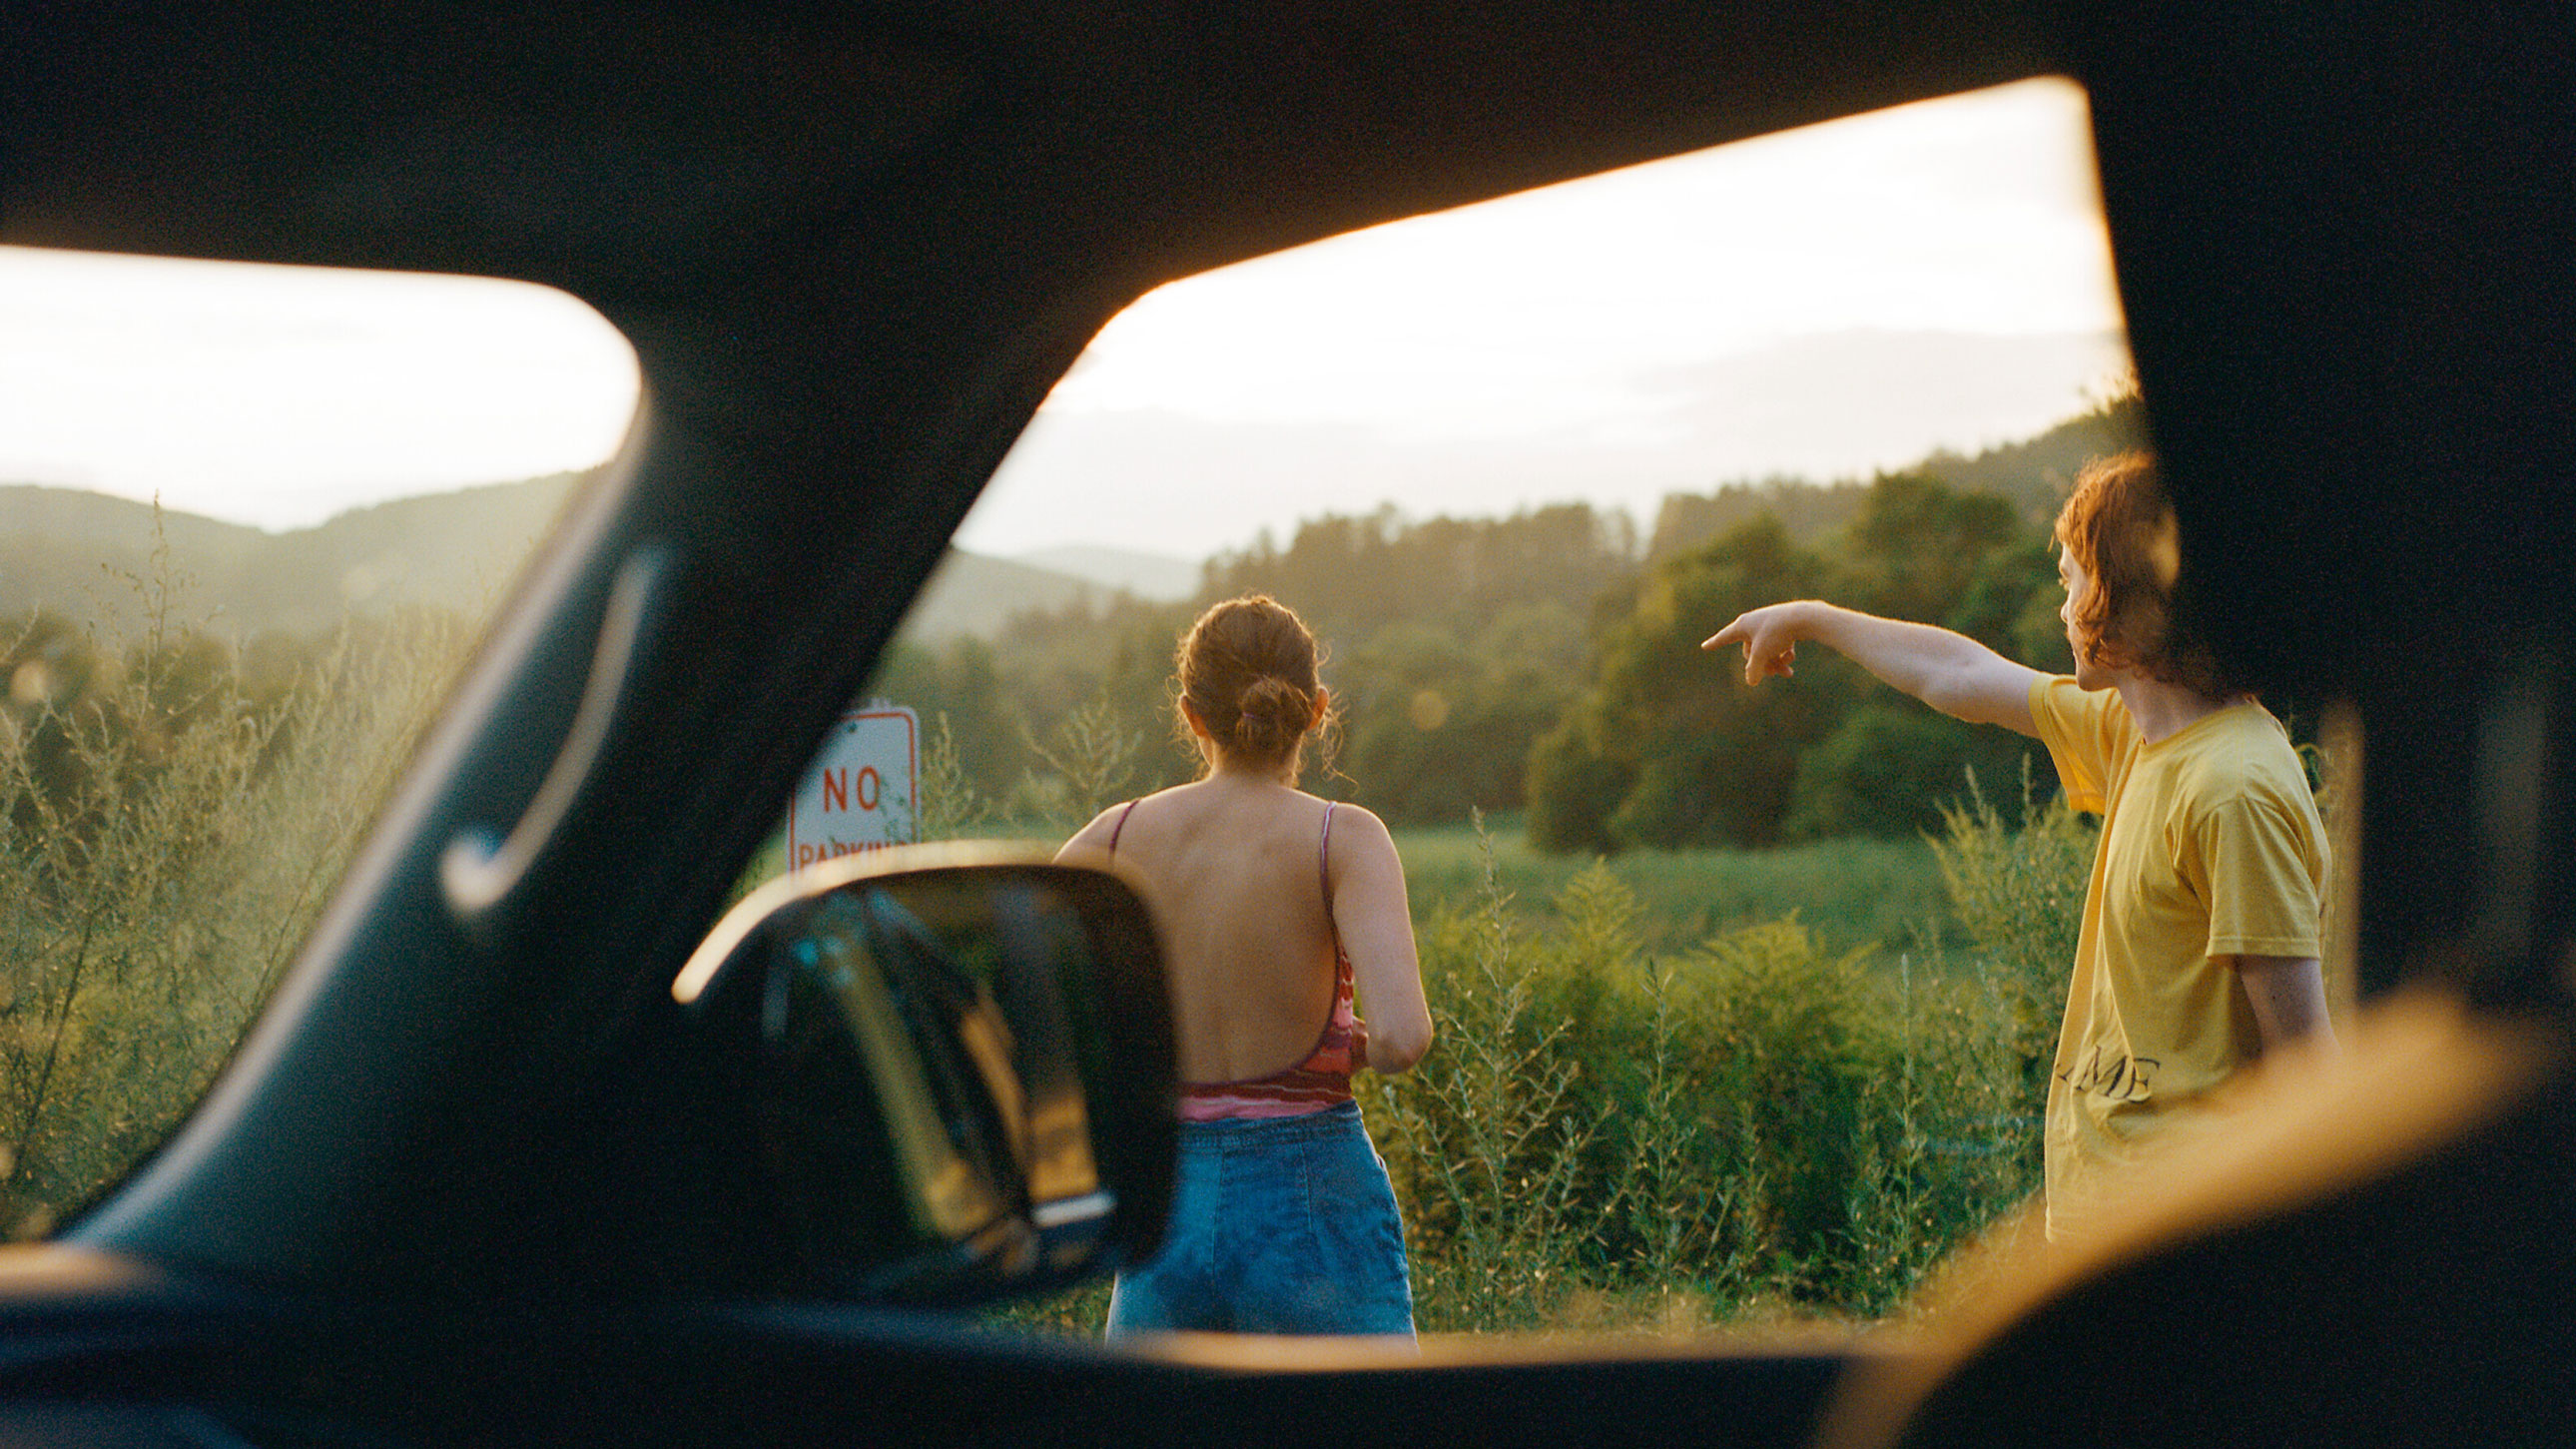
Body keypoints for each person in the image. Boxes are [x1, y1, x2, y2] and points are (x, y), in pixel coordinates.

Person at [1702, 450, 2334, 1241]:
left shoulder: (2232, 788)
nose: (2063, 607)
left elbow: (2309, 1071)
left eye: (2072, 582)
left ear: (2128, 601)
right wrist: (1808, 616)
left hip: (2181, 1245)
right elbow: (1959, 673)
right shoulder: (2136, 732)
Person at [1059, 594, 1434, 1335]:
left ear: (1193, 715)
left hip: (1166, 1198)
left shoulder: (1114, 836)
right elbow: (1402, 1040)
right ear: (1318, 709)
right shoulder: (1344, 838)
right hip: (1315, 1197)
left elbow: (1026, 991)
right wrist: (1342, 1040)